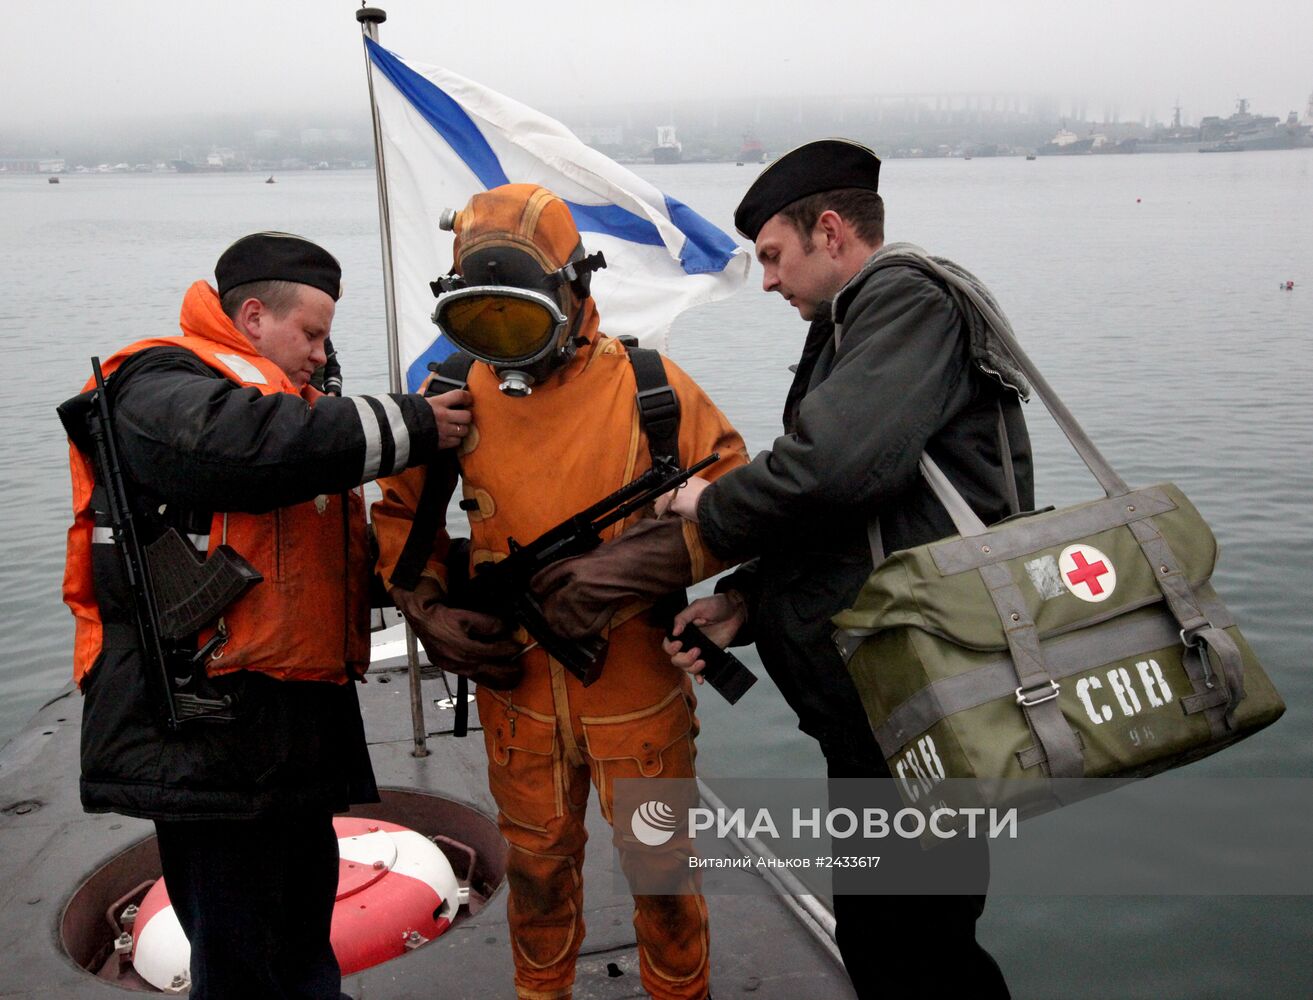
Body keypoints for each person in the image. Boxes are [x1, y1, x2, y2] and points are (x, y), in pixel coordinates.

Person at [57, 231, 472, 1000]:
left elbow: (326, 569)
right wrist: (414, 424)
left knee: (296, 932)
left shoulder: (298, 418)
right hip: (210, 734)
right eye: (310, 334)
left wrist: (457, 580)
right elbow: (238, 449)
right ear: (251, 317)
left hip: (291, 733)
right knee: (241, 949)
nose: (320, 353)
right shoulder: (154, 384)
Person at [664, 139, 1031, 998]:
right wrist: (746, 603)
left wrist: (702, 508)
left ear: (828, 231)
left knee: (920, 950)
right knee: (888, 939)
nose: (766, 281)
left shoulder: (904, 302)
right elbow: (854, 512)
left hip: (921, 700)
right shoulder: (854, 321)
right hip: (879, 705)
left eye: (773, 256)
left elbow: (829, 468)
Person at [371, 183, 747, 1000]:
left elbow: (742, 507)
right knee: (536, 875)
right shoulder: (450, 397)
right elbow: (405, 518)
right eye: (481, 320)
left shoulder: (653, 392)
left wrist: (627, 571)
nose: (500, 343)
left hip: (636, 688)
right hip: (516, 695)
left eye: (518, 316)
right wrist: (428, 606)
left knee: (663, 879)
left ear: (574, 291)